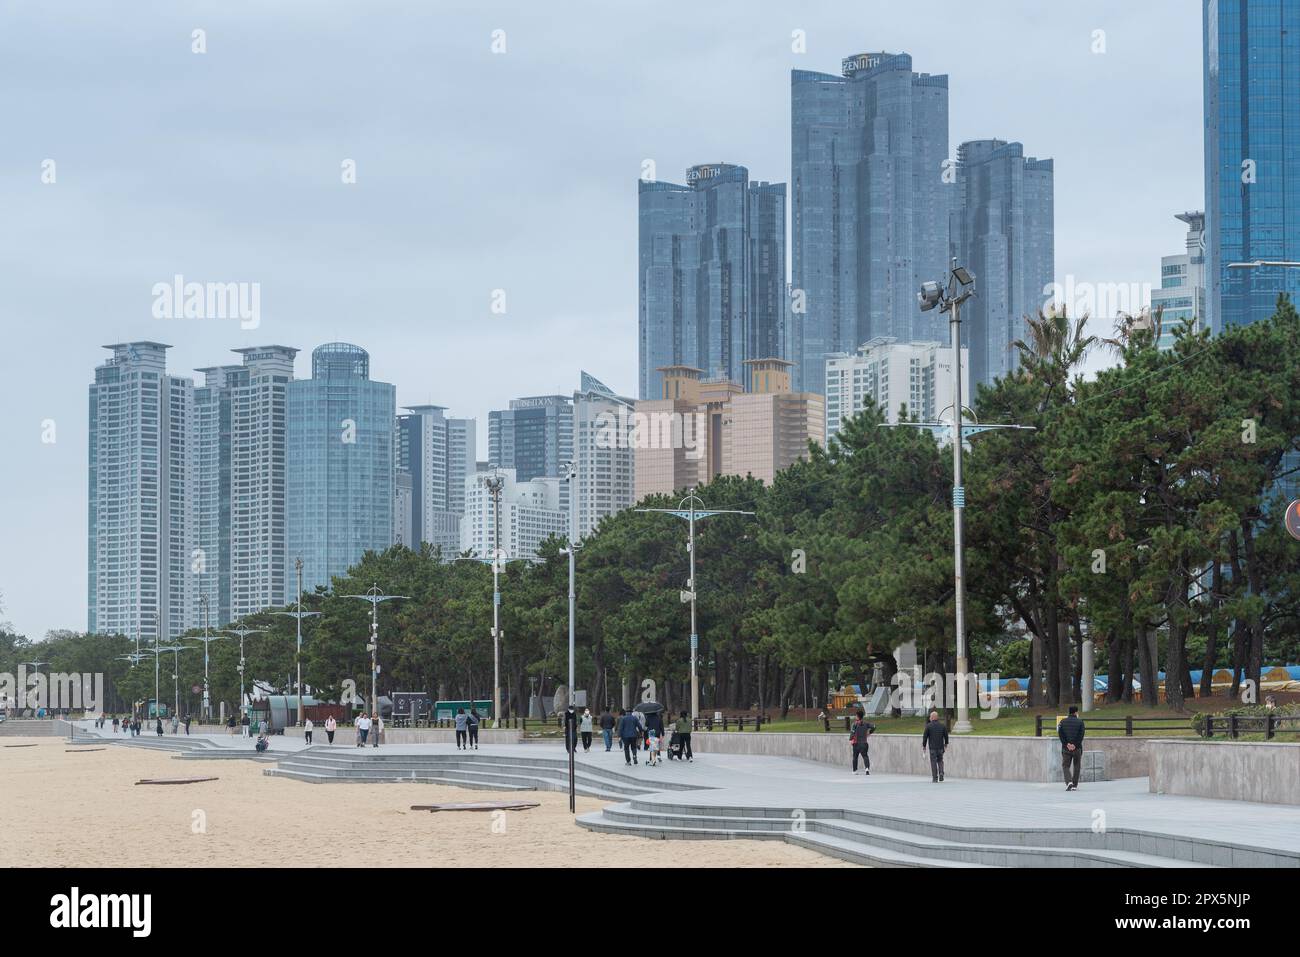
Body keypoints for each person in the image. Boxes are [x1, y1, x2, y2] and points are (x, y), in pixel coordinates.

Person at [1058, 705, 1086, 791]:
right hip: (1077, 748)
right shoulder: (1080, 722)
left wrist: (1067, 744)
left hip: (1066, 748)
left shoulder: (1062, 722)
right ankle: (1074, 785)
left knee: (1065, 765)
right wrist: (1075, 745)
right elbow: (1081, 735)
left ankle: (1069, 781)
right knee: (1077, 766)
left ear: (1069, 712)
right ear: (1076, 712)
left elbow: (1061, 735)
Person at [921, 710, 949, 783]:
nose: (930, 718)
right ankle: (941, 773)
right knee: (940, 760)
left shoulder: (928, 726)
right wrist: (946, 744)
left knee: (933, 762)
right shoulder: (942, 726)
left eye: (930, 716)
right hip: (940, 747)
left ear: (933, 717)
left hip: (932, 748)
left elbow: (925, 737)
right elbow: (946, 736)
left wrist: (924, 746)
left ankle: (935, 778)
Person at [850, 711, 876, 775]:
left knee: (855, 757)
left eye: (856, 716)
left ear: (858, 716)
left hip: (856, 744)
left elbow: (852, 732)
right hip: (864, 743)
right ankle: (867, 769)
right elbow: (874, 726)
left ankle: (855, 770)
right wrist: (870, 732)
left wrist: (850, 739)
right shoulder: (866, 723)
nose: (855, 717)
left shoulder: (854, 724)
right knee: (865, 756)